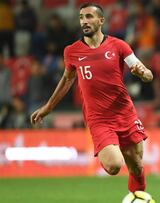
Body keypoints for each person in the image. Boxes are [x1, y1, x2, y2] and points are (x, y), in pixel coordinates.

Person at [30, 3, 153, 193]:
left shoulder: (118, 45)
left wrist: (142, 74)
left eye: (89, 17)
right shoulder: (72, 51)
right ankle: (112, 147)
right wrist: (48, 107)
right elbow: (67, 80)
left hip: (125, 113)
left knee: (136, 165)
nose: (84, 21)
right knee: (114, 165)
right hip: (99, 118)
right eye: (81, 17)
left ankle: (139, 198)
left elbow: (147, 73)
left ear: (101, 20)